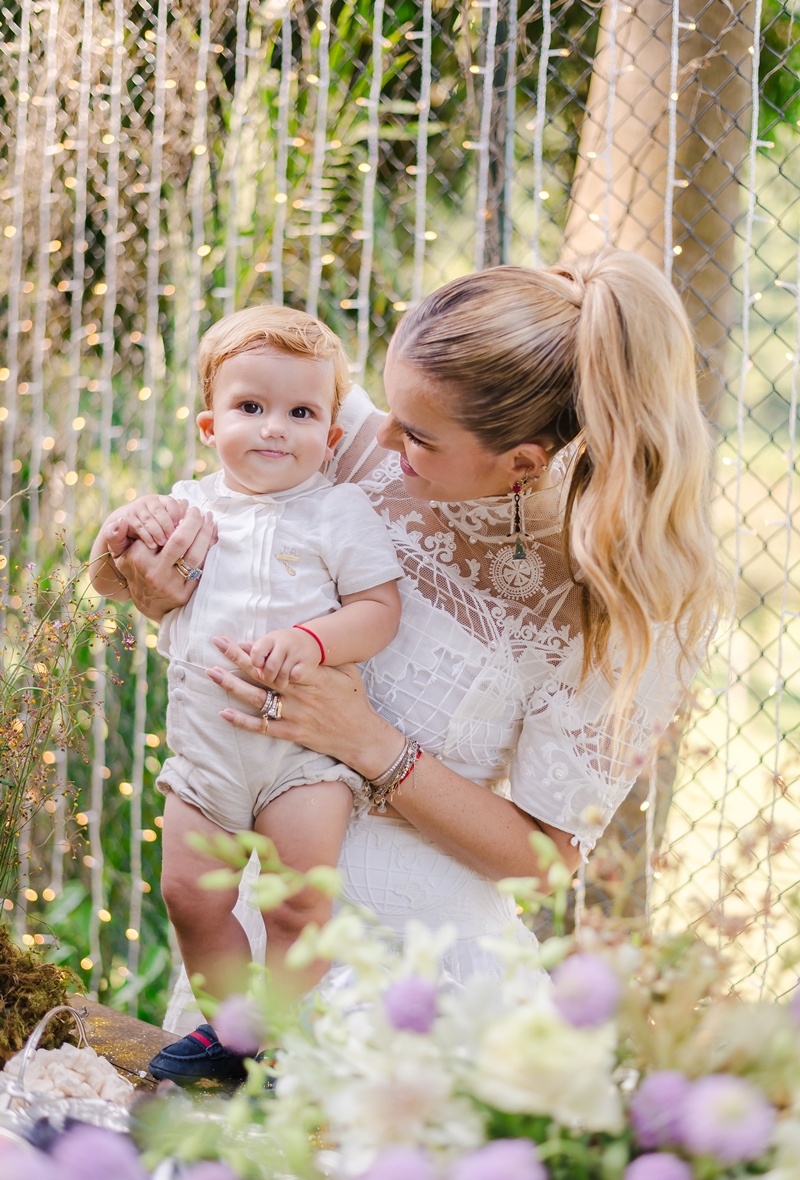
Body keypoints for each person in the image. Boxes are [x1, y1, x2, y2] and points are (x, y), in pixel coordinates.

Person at [105, 250, 720, 1084]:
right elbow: (229, 548)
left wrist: (368, 742)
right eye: (385, 411)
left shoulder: (620, 601)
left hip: (423, 980)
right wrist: (153, 583)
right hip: (268, 930)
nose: (381, 440)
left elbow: (543, 861)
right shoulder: (352, 447)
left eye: (419, 435)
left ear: (524, 462)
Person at [90, 306, 403, 1083]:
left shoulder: (338, 511)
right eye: (250, 408)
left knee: (297, 907)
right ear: (208, 424)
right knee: (188, 894)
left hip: (300, 759)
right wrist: (120, 532)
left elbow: (378, 610)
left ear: (332, 437)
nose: (274, 429)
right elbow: (115, 573)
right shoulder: (188, 509)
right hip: (206, 757)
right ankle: (229, 1033)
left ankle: (280, 1033)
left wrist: (314, 640)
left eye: (301, 413)